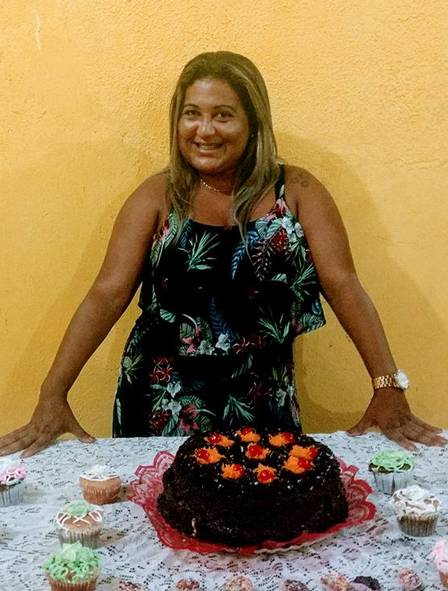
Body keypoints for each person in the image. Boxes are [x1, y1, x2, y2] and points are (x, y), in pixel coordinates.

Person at [0, 51, 445, 458]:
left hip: (264, 407)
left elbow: (344, 286)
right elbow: (106, 294)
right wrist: (53, 394)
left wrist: (387, 385)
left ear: (254, 123)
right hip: (161, 407)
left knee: (267, 511)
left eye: (223, 115)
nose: (204, 130)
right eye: (191, 114)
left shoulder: (298, 193)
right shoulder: (157, 197)